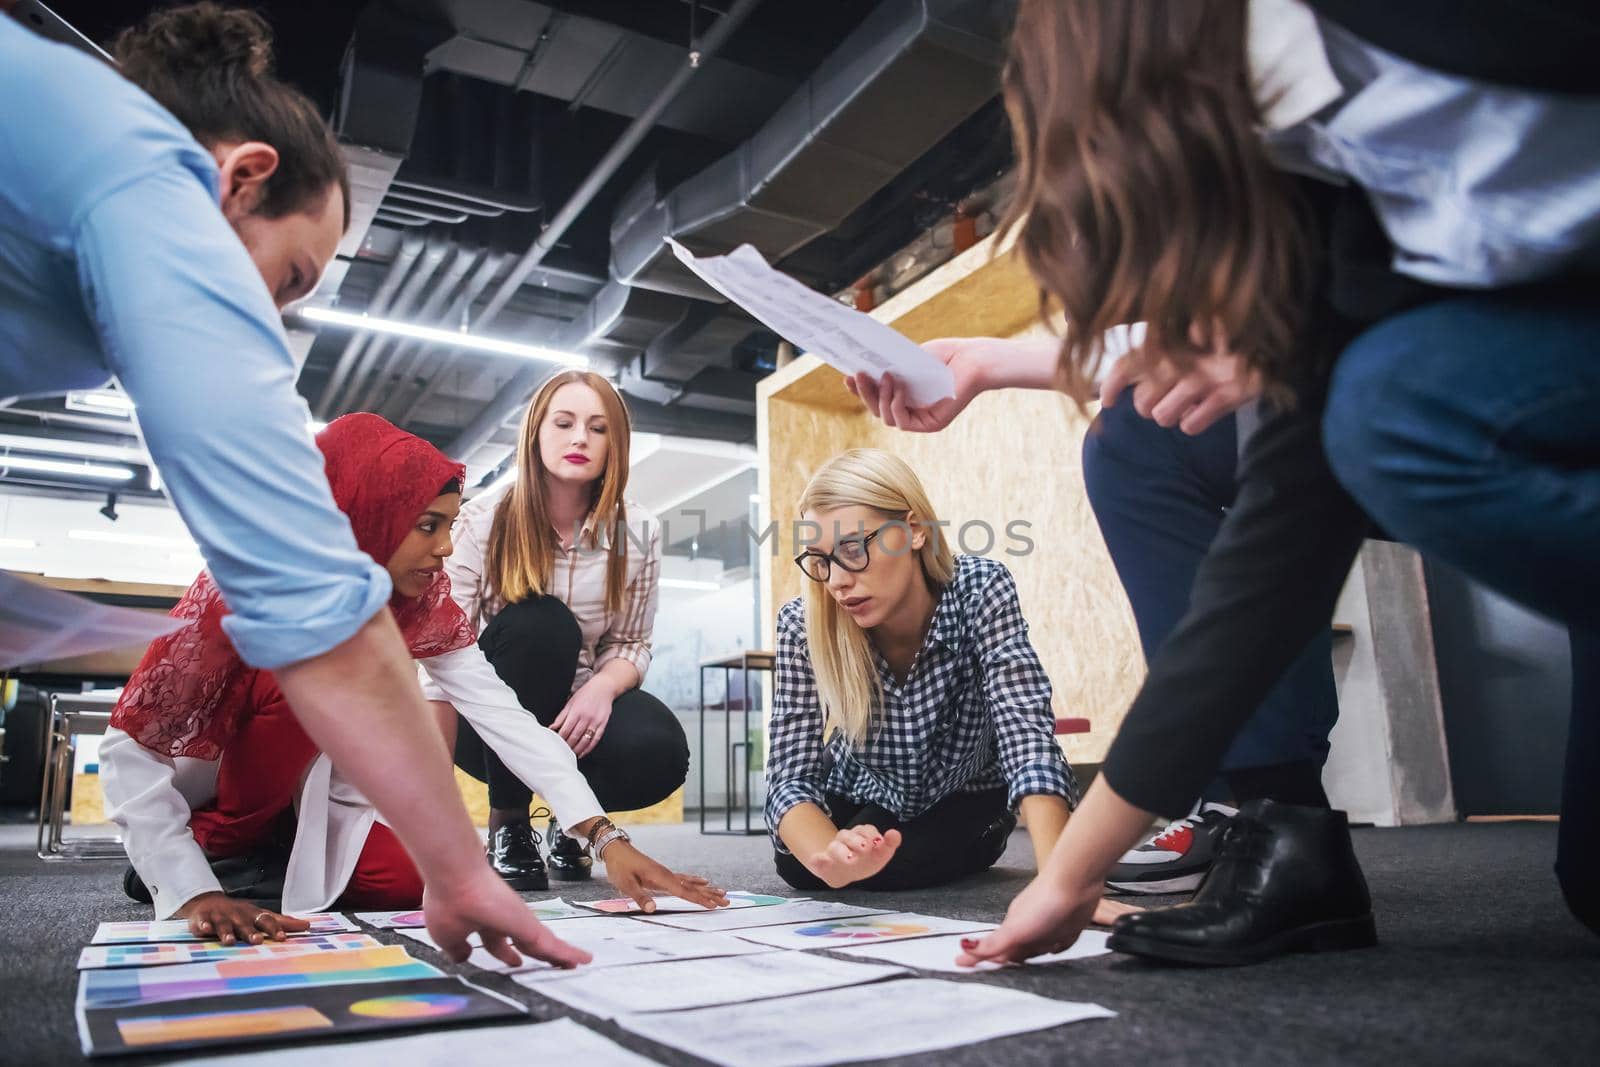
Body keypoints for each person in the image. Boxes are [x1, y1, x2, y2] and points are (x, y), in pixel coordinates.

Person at [852, 0, 1600, 967]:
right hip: (1539, 402)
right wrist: (1072, 874)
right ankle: (1285, 836)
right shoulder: (1328, 192)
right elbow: (1273, 550)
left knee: (1388, 400)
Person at [0, 3, 581, 966]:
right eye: (287, 279)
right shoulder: (158, 189)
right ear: (242, 179)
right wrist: (463, 871)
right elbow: (316, 605)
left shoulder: (81, 157)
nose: (269, 321)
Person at [103, 414, 724, 943]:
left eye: (451, 525)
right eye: (428, 525)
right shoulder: (241, 590)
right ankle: (206, 862)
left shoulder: (419, 604)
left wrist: (603, 837)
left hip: (307, 797)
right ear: (360, 517)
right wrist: (187, 893)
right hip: (223, 801)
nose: (447, 547)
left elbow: (503, 716)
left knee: (409, 882)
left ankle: (262, 863)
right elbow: (128, 749)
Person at [769, 449, 1095, 895]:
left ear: (914, 531)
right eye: (821, 560)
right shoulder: (802, 624)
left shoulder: (981, 590)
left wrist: (1064, 883)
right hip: (859, 788)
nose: (836, 582)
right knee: (801, 867)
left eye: (852, 549)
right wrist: (832, 855)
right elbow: (790, 775)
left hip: (963, 796)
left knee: (900, 865)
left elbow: (1026, 734)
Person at [450, 371, 688, 888]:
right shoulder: (482, 521)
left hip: (574, 715)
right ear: (536, 432)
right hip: (487, 719)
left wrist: (602, 688)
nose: (580, 438)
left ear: (614, 446)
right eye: (564, 423)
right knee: (543, 624)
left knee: (661, 749)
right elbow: (443, 648)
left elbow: (631, 642)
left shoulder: (638, 531)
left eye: (598, 428)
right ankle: (508, 821)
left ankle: (569, 822)